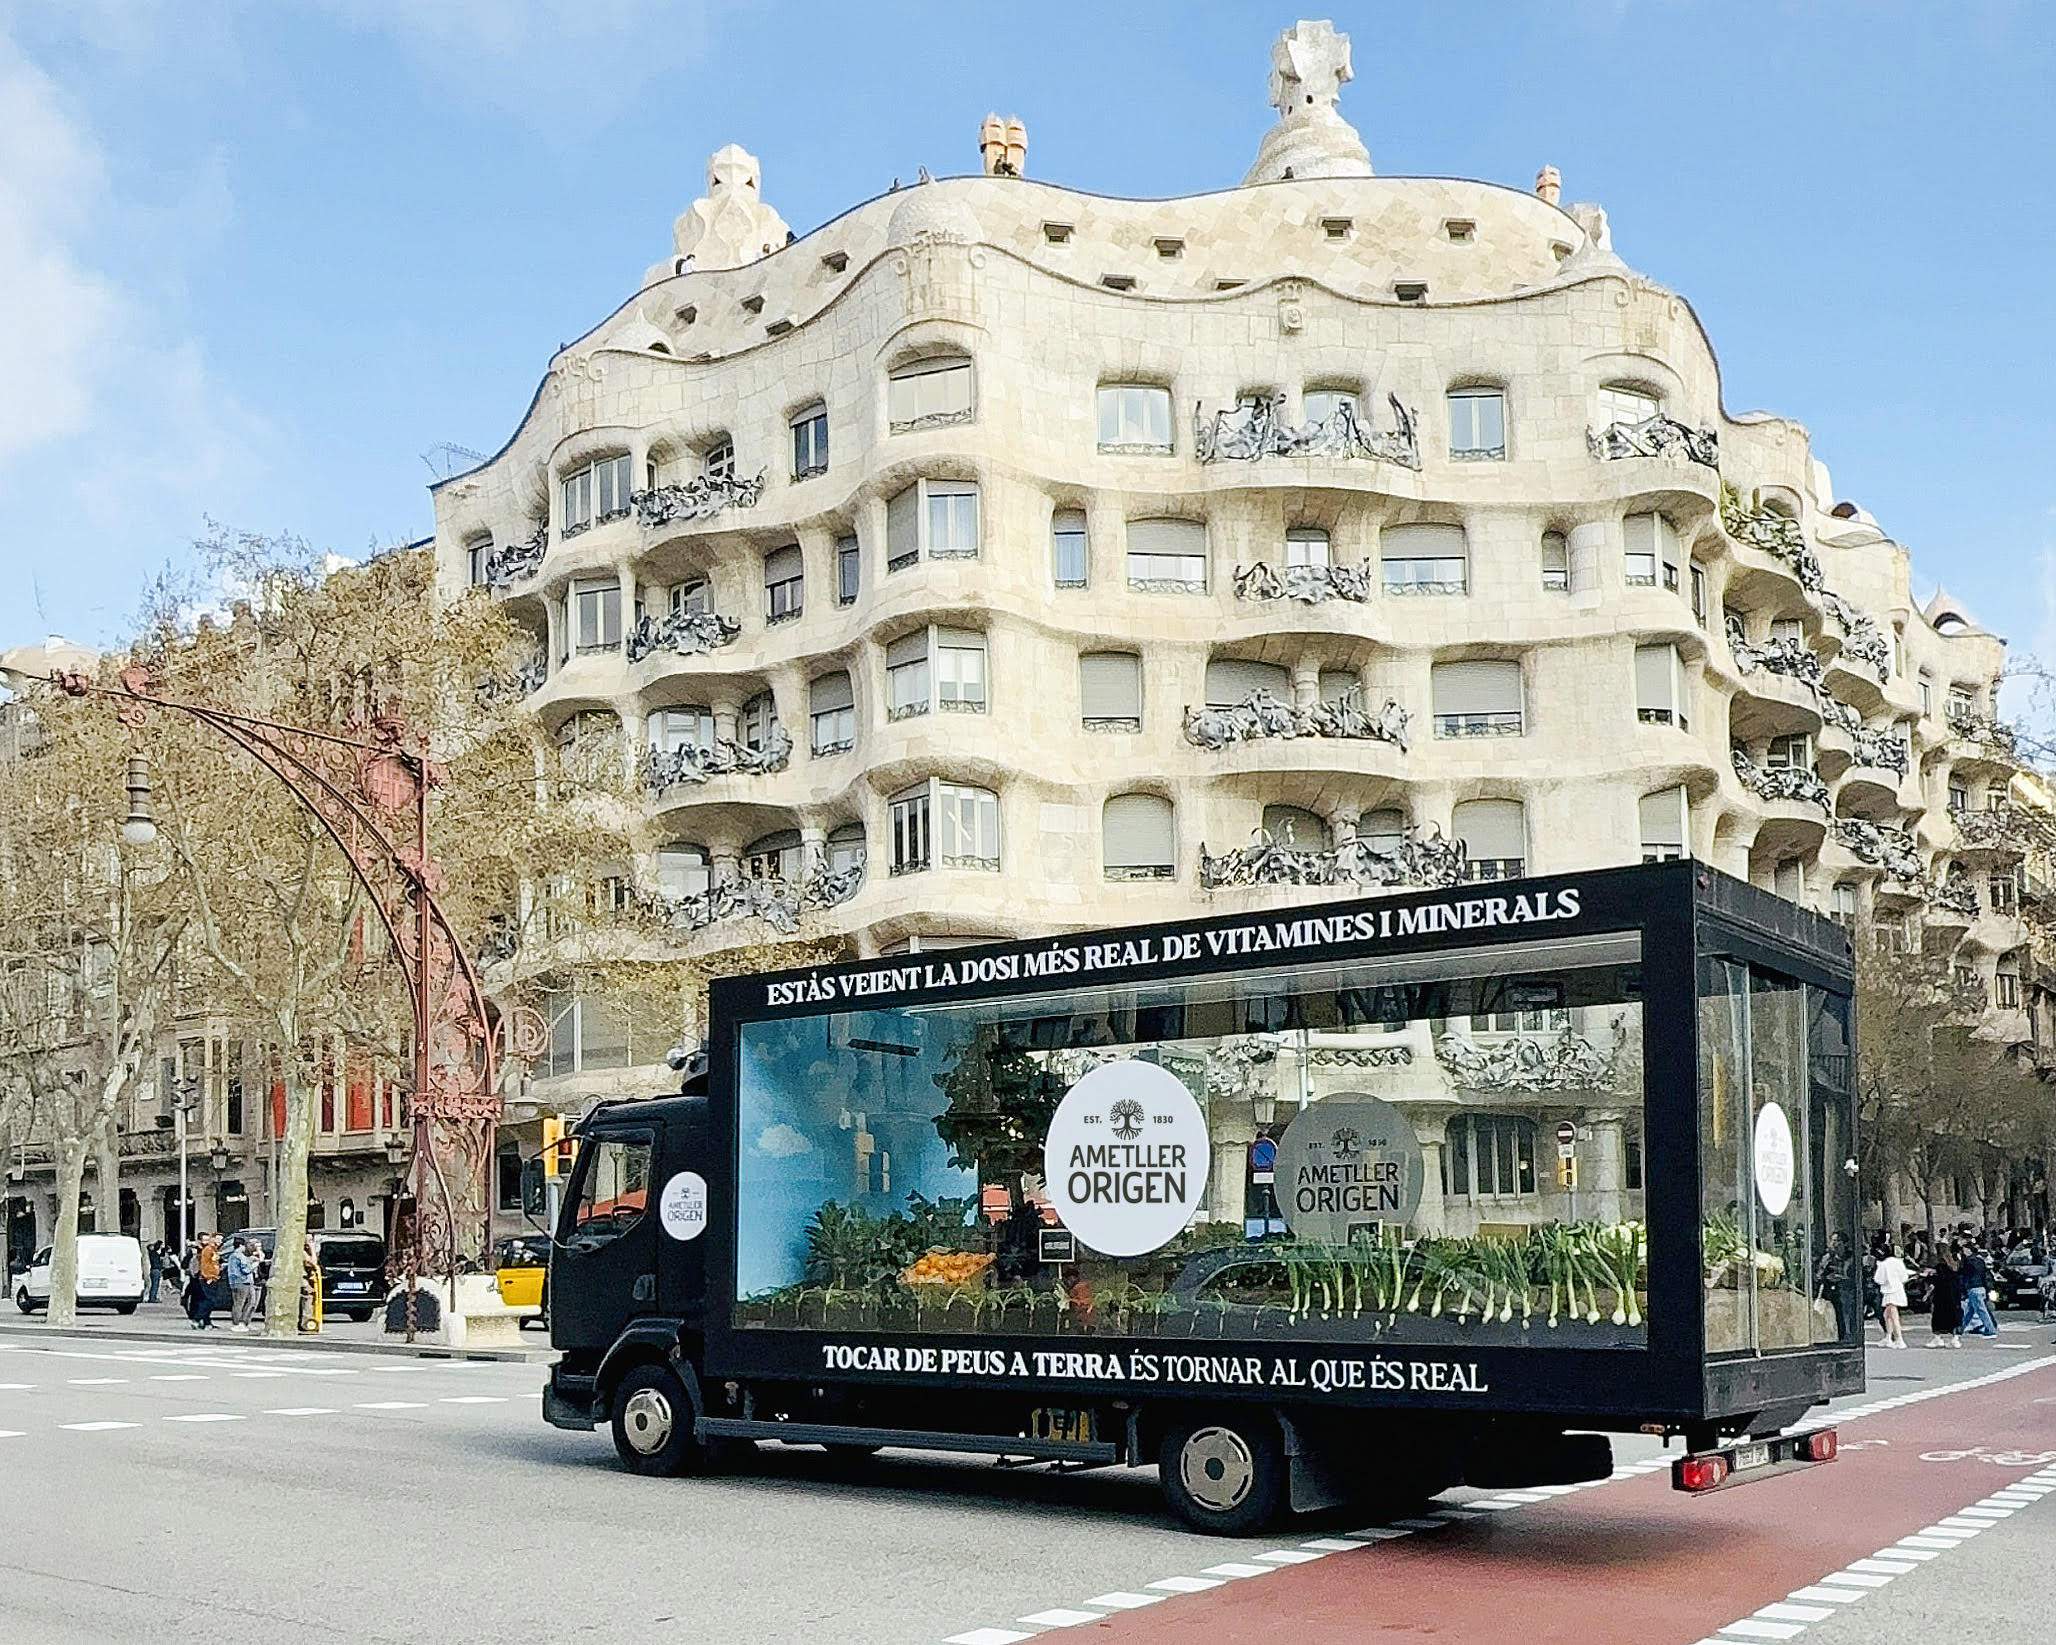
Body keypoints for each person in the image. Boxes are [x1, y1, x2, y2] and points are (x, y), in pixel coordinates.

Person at [1875, 1241, 1911, 1348]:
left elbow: (1879, 1279)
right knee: (1888, 1315)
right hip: (1898, 1289)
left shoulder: (1883, 1264)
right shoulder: (1899, 1262)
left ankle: (1899, 1339)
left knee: (1893, 1315)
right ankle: (1888, 1337)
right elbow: (1904, 1277)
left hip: (1889, 1291)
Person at [1959, 1242, 1999, 1338]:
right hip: (1981, 1287)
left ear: (1969, 1250)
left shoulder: (1967, 1261)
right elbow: (1984, 1275)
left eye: (1964, 1249)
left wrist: (1963, 1289)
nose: (1963, 1251)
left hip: (1972, 1287)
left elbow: (1964, 1276)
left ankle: (1990, 1329)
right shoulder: (1980, 1261)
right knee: (1971, 1310)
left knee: (1981, 1310)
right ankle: (1961, 1328)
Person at [1927, 1243, 1963, 1348]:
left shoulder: (1940, 1266)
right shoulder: (1955, 1265)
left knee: (1938, 1316)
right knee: (1954, 1315)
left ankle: (1937, 1338)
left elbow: (1936, 1281)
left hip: (1941, 1295)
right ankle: (1955, 1338)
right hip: (1954, 1295)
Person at [225, 1239, 258, 1333]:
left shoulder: (235, 1256)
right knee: (240, 1303)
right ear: (241, 1246)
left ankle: (244, 1322)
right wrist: (255, 1264)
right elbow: (246, 1270)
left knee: (250, 1302)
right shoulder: (238, 1255)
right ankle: (238, 1323)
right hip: (241, 1281)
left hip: (241, 1281)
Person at [191, 1234, 223, 1330]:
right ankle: (197, 1319)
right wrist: (208, 1277)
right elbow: (205, 1265)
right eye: (219, 1239)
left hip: (213, 1277)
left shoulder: (214, 1250)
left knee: (208, 1300)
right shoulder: (208, 1250)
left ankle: (206, 1322)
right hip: (208, 1278)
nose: (221, 1241)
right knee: (210, 1300)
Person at [144, 1240, 166, 1305]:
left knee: (155, 1285)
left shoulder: (153, 1253)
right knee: (155, 1285)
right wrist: (160, 1266)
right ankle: (152, 1298)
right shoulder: (153, 1253)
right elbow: (156, 1262)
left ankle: (153, 1297)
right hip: (155, 1270)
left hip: (155, 1270)